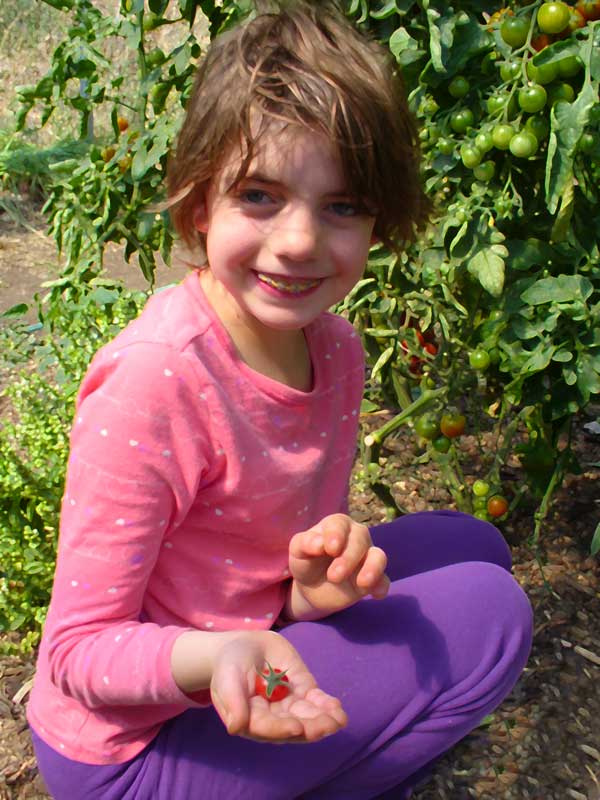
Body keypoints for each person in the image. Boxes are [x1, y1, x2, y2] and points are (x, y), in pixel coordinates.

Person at [27, 2, 533, 798]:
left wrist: (307, 592)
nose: (298, 240)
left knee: (476, 546)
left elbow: (278, 573)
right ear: (201, 204)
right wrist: (221, 654)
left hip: (251, 635)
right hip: (131, 751)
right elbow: (76, 654)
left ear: (379, 223)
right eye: (260, 195)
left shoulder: (335, 349)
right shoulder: (155, 381)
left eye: (342, 206)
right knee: (491, 614)